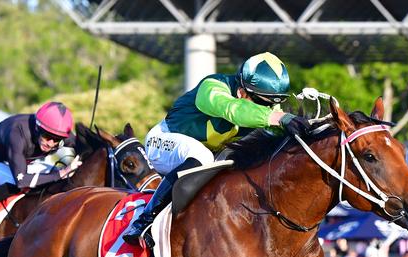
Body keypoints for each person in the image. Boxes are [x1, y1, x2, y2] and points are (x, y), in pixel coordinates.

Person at [123, 52, 311, 245]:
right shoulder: (212, 86)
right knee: (202, 156)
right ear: (241, 92)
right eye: (263, 103)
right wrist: (277, 118)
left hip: (203, 157)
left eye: (272, 104)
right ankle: (144, 221)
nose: (268, 109)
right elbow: (232, 110)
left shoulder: (263, 106)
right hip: (163, 141)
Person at [0, 101, 80, 238]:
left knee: (55, 181)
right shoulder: (17, 133)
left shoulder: (56, 133)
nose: (51, 143)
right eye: (47, 137)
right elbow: (22, 181)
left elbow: (83, 146)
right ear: (37, 128)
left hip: (23, 164)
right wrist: (61, 173)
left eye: (57, 140)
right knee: (18, 185)